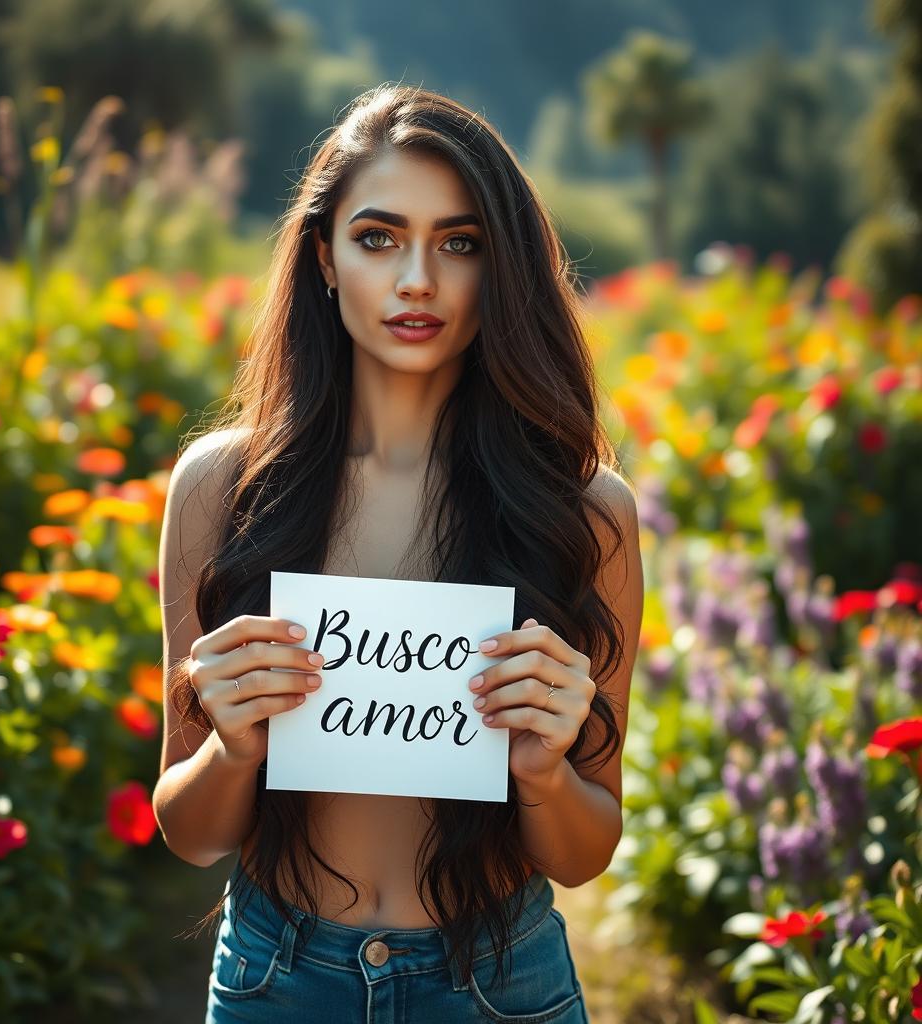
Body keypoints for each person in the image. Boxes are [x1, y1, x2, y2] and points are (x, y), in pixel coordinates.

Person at [153, 82, 643, 1024]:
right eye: (378, 238)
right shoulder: (221, 487)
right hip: (275, 977)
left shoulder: (585, 513)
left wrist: (543, 769)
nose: (417, 279)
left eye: (460, 244)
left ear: (500, 270)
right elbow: (189, 830)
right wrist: (233, 743)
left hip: (502, 977)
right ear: (325, 259)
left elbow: (583, 856)